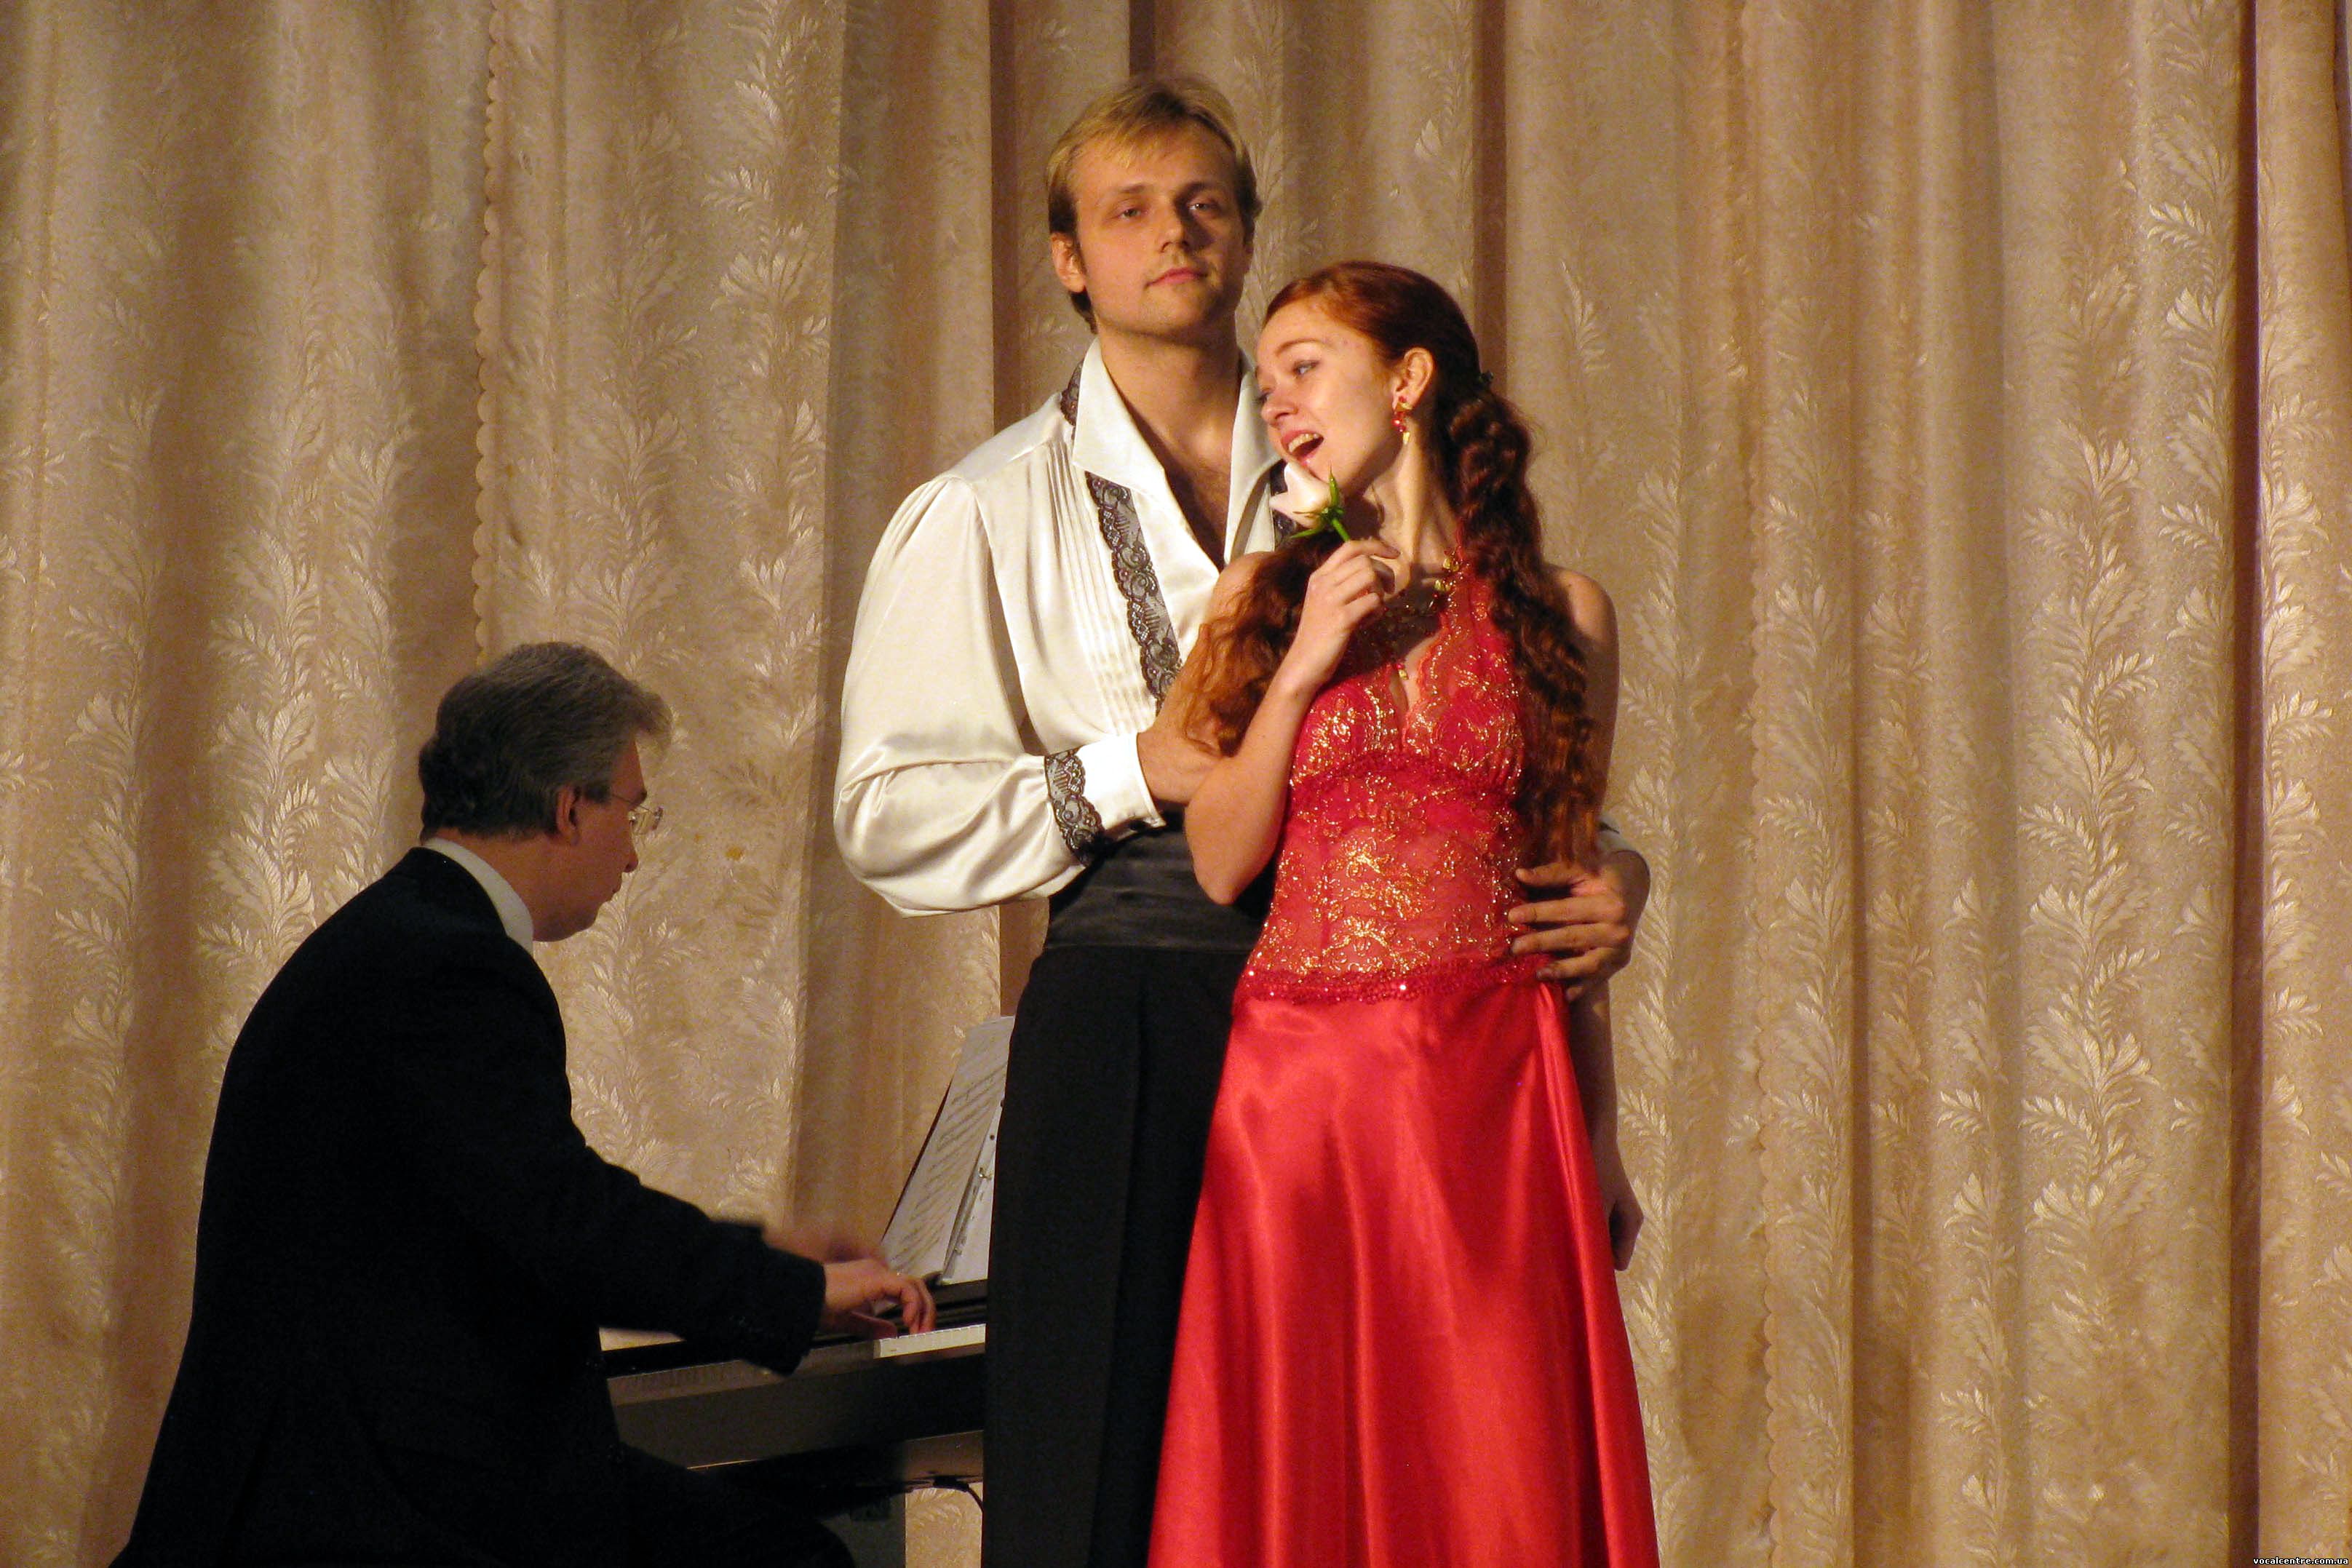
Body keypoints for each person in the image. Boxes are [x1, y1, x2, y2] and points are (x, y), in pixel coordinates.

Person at [833, 76, 1649, 1568]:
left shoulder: (1338, 453)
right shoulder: (987, 505)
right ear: (1068, 258)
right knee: (1109, 1472)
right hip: (1141, 993)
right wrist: (1130, 769)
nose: (1174, 234)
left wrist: (1618, 876)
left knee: (1411, 1458)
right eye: (1129, 209)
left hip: (1384, 1031)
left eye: (1204, 204)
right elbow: (885, 816)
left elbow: (1493, 752)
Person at [116, 642, 932, 1568]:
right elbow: (562, 1222)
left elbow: (499, 1214)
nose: (633, 854)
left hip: (345, 1467)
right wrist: (798, 1292)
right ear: (569, 807)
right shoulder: (448, 964)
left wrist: (769, 1253)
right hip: (362, 1499)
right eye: (633, 810)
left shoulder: (391, 938)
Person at [1146, 261, 1658, 1566]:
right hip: (1298, 1101)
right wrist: (1302, 663)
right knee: (1308, 1458)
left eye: (1304, 367)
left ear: (1408, 380)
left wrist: (1599, 1134)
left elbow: (1568, 893)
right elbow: (1218, 861)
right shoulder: (1258, 599)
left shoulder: (1563, 614)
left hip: (1494, 1088)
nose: (1277, 403)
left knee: (1496, 1456)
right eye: (1265, 382)